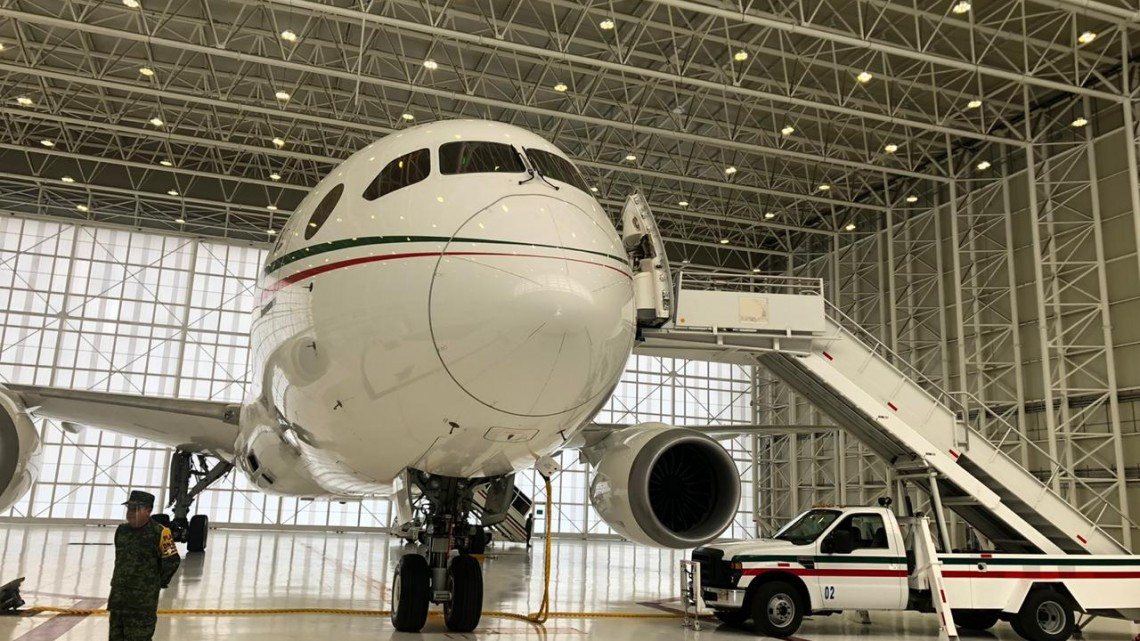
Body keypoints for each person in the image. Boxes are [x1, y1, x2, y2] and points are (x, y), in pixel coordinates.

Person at [107, 490, 181, 641]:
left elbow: (172, 561)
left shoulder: (161, 533)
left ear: (148, 511)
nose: (131, 513)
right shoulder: (122, 531)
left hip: (141, 604)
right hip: (118, 600)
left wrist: (153, 583)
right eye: (129, 509)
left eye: (136, 509)